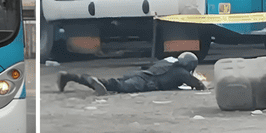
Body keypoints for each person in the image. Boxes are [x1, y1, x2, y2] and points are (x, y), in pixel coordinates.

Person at [56, 52, 206, 95]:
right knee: (116, 86)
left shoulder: (169, 62)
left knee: (115, 83)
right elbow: (197, 84)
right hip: (145, 82)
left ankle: (69, 77)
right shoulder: (181, 72)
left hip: (139, 74)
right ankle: (93, 80)